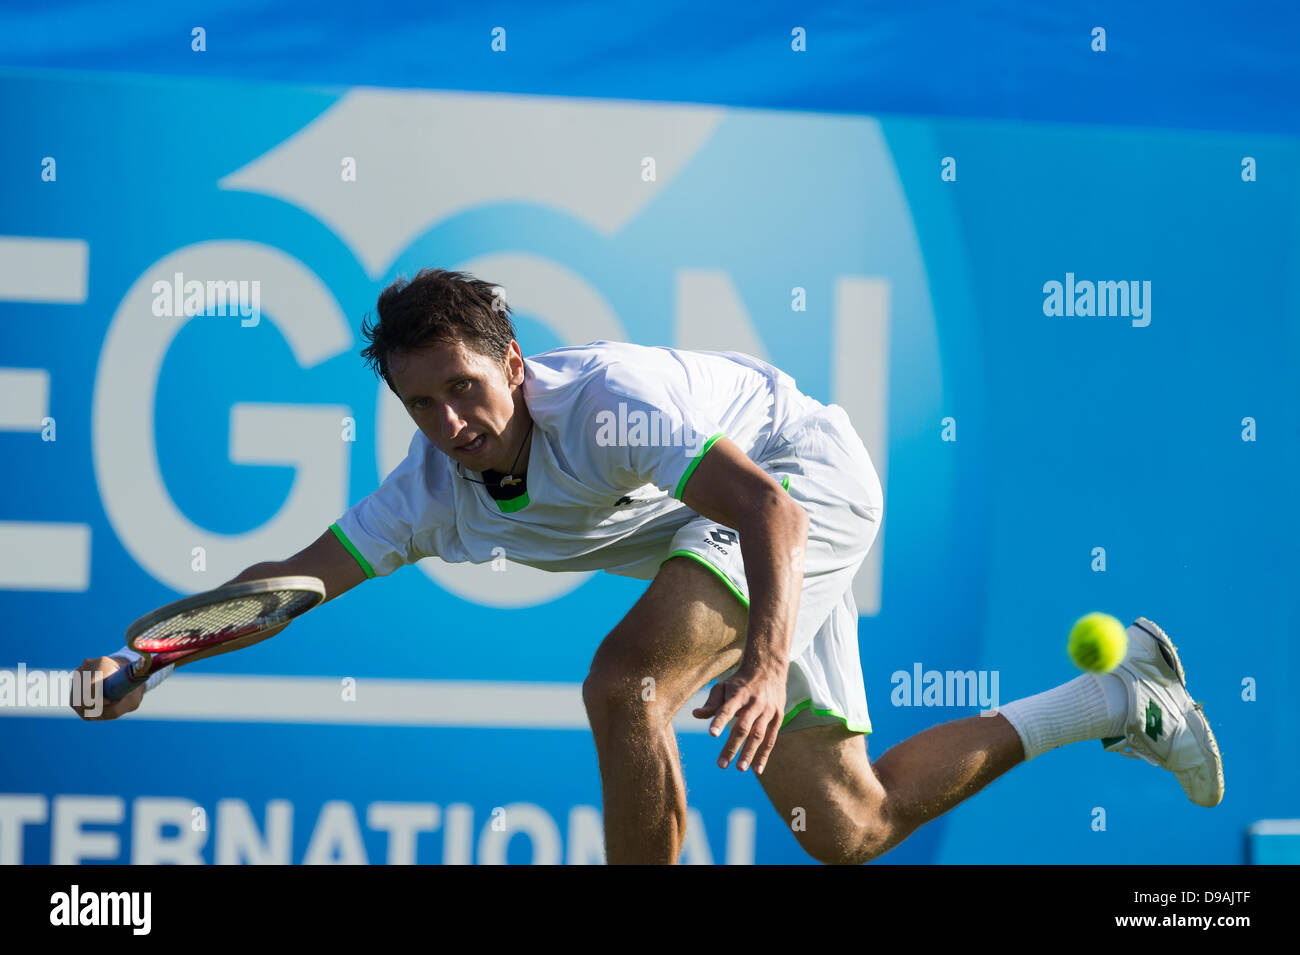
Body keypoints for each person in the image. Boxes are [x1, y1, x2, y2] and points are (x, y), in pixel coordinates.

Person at [74, 268, 1224, 864]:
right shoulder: (429, 493)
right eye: (420, 404)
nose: (450, 423)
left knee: (625, 683)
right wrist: (152, 652)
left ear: (513, 365)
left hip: (796, 484)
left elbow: (765, 506)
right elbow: (293, 580)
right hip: (729, 542)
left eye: (465, 389)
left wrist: (768, 662)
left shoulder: (612, 409)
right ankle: (1119, 697)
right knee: (851, 828)